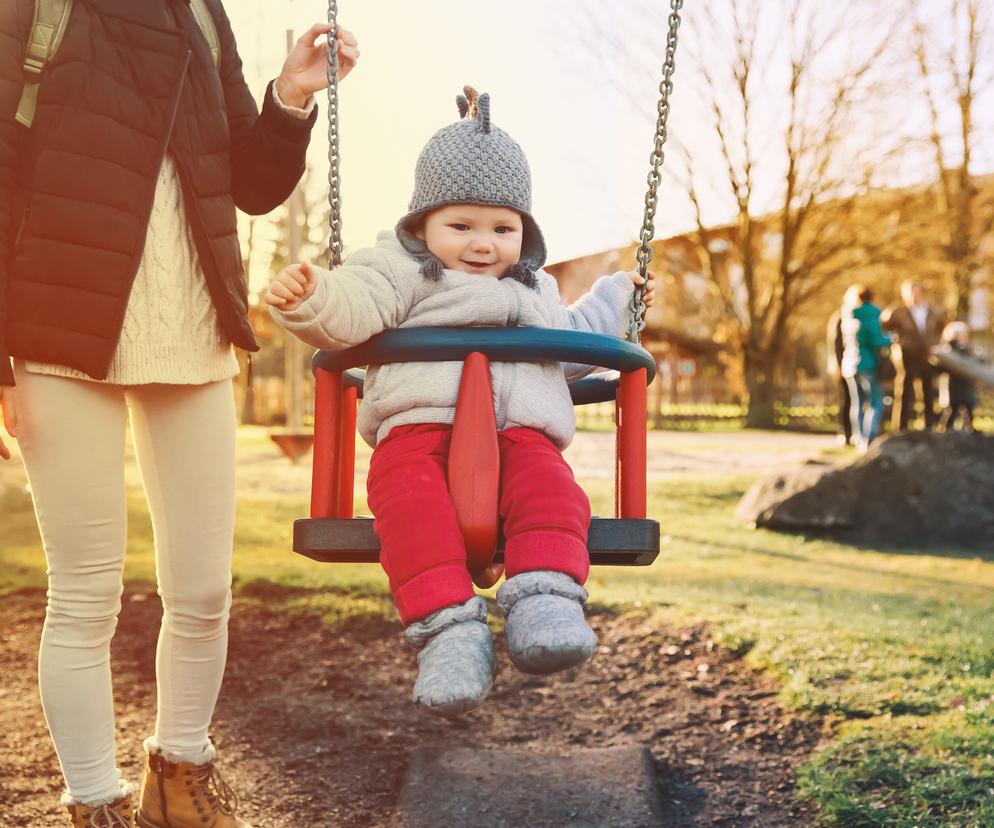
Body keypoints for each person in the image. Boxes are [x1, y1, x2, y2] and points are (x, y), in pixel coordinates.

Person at [0, 2, 359, 825]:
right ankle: (94, 802)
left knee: (201, 591)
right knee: (85, 592)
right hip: (58, 329)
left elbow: (249, 181)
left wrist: (291, 97)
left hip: (194, 325)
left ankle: (180, 779)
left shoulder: (199, 9)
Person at [266, 87, 656, 718]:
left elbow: (574, 344)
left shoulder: (534, 288)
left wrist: (618, 302)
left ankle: (545, 602)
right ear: (422, 225)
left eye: (503, 229)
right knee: (408, 506)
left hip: (522, 436)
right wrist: (313, 297)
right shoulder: (398, 272)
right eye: (462, 226)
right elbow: (352, 310)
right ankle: (449, 632)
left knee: (554, 494)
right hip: (418, 433)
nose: (483, 244)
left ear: (524, 234)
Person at [882, 281, 946, 431]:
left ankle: (928, 425)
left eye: (917, 292)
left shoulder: (933, 311)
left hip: (928, 354)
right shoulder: (898, 312)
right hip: (907, 355)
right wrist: (897, 342)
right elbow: (885, 328)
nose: (914, 296)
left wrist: (936, 343)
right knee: (905, 390)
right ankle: (900, 427)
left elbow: (941, 328)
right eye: (911, 293)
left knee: (928, 390)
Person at [840, 285, 892, 451]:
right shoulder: (872, 314)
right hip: (869, 364)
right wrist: (891, 339)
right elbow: (877, 340)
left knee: (857, 403)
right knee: (875, 402)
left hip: (849, 364)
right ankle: (868, 440)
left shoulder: (848, 316)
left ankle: (859, 437)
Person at [938, 321, 979, 432]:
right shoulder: (949, 350)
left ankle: (969, 429)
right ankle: (946, 429)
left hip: (966, 385)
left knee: (968, 408)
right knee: (952, 408)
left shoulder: (967, 349)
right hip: (954, 385)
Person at [826, 307, 853, 446]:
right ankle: (844, 432)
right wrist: (839, 365)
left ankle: (853, 432)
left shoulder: (856, 315)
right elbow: (835, 343)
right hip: (842, 366)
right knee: (845, 400)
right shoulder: (840, 317)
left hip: (853, 365)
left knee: (854, 400)